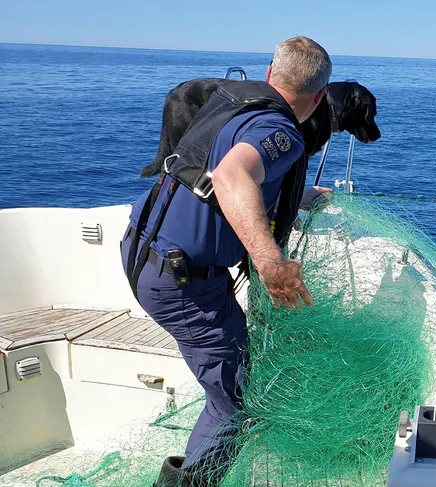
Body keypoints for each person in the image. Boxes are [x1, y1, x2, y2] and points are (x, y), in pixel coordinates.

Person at [119, 36, 332, 487]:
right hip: (182, 281)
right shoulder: (283, 131)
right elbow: (233, 173)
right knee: (239, 399)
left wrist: (300, 195)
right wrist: (271, 263)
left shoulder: (234, 101)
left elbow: (222, 172)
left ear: (272, 74)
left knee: (229, 385)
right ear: (317, 98)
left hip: (143, 246)